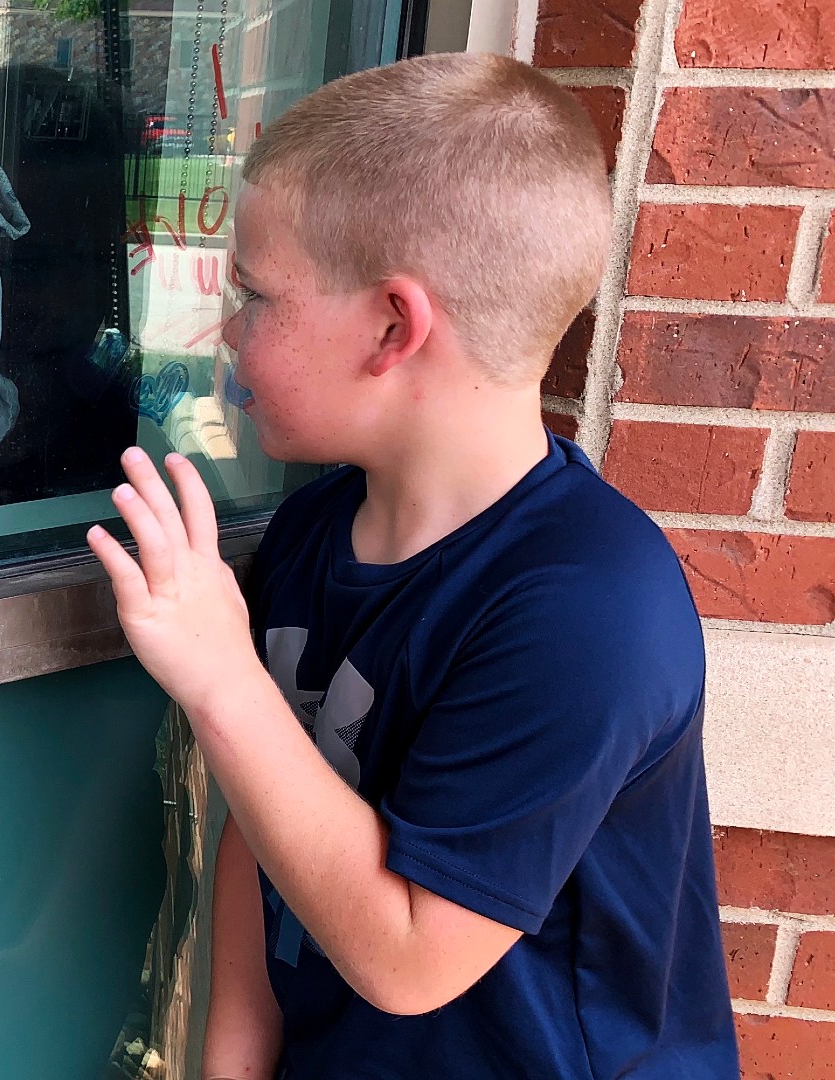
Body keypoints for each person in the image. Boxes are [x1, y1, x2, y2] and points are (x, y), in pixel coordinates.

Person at [85, 53, 737, 1079]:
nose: (226, 336)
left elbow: (410, 958)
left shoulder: (589, 608)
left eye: (254, 296)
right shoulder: (311, 536)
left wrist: (219, 677)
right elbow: (265, 827)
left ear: (393, 327)